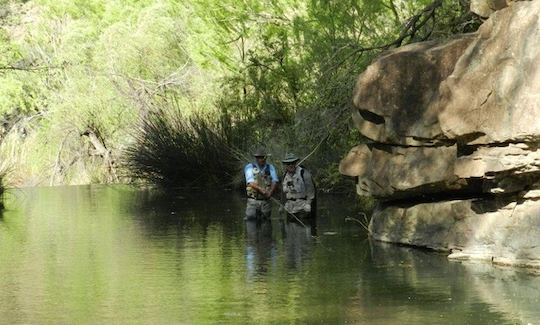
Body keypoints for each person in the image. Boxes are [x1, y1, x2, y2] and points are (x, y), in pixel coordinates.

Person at [244, 147, 279, 220]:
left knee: (266, 224)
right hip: (252, 201)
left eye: (263, 157)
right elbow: (250, 182)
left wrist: (270, 192)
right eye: (260, 157)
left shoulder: (271, 167)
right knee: (251, 223)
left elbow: (275, 181)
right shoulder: (249, 167)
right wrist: (261, 190)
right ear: (256, 158)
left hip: (266, 202)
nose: (262, 159)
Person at [281, 153, 316, 218]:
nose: (291, 165)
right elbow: (283, 193)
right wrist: (281, 206)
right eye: (288, 164)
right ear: (286, 165)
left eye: (293, 163)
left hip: (302, 207)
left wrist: (308, 204)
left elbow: (311, 192)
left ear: (296, 163)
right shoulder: (284, 176)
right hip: (289, 208)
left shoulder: (304, 174)